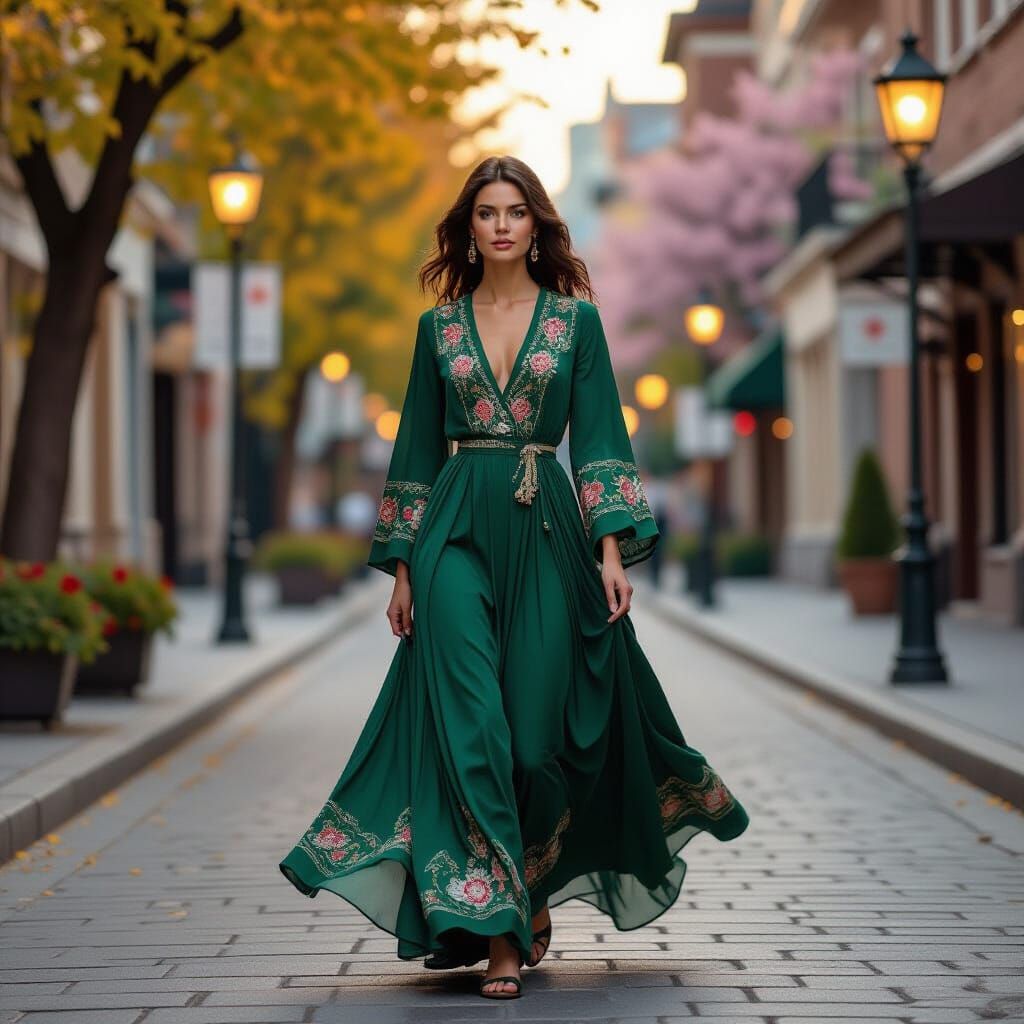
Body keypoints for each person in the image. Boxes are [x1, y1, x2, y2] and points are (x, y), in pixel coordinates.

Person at [278, 155, 749, 1001]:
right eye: (487, 212)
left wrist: (611, 550)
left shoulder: (576, 324)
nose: (501, 224)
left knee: (534, 744)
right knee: (474, 729)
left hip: (547, 531)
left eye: (516, 211)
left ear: (537, 226)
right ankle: (497, 933)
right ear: (468, 227)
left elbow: (602, 438)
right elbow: (417, 448)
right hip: (454, 530)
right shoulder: (439, 329)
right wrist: (401, 566)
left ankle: (524, 889)